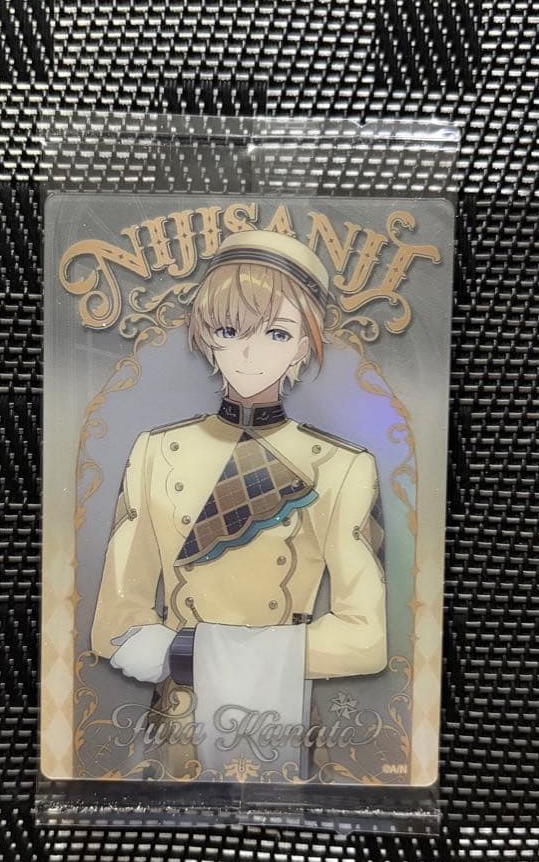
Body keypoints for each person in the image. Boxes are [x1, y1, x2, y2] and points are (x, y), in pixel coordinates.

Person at [89, 230, 387, 776]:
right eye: (230, 330)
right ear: (206, 335)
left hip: (281, 727)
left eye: (277, 333)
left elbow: (366, 638)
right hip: (177, 728)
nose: (250, 353)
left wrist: (189, 651)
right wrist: (156, 645)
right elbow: (115, 622)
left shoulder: (342, 466)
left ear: (305, 345)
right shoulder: (155, 452)